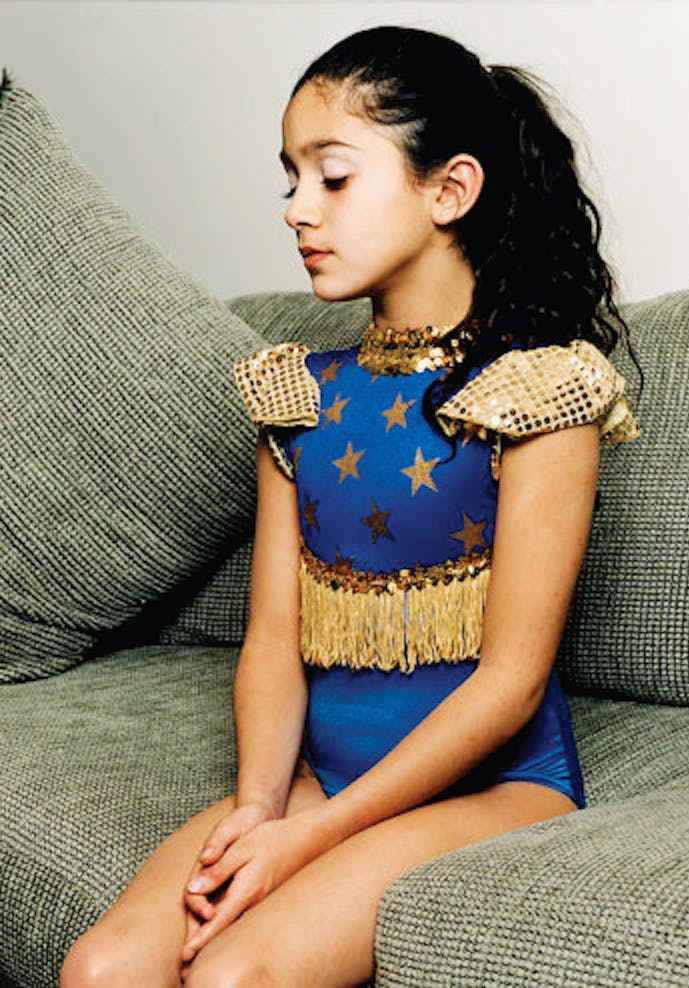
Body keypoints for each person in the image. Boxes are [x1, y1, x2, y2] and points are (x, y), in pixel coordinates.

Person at [60, 23, 642, 988]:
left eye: (332, 177)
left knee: (233, 978)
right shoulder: (300, 394)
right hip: (313, 781)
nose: (298, 209)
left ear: (449, 190)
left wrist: (309, 837)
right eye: (291, 179)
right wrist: (259, 810)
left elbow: (510, 684)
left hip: (494, 789)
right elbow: (272, 641)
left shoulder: (539, 393)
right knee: (101, 970)